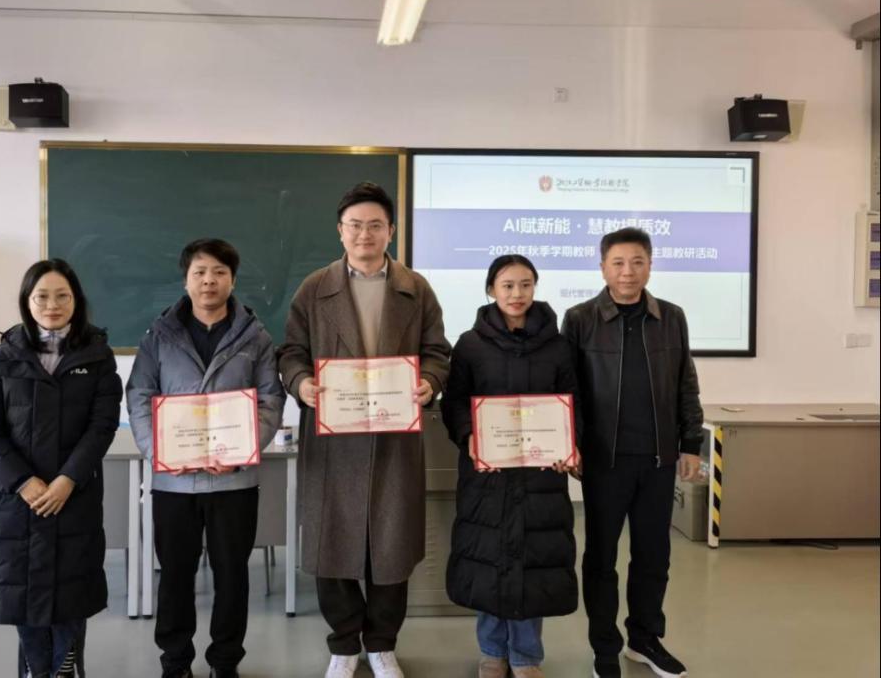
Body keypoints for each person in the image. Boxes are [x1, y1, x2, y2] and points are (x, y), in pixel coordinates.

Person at [277, 182, 451, 678]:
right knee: (331, 543)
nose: (364, 234)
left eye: (375, 225)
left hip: (395, 438)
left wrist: (430, 381)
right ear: (340, 230)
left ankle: (381, 644)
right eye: (355, 225)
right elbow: (290, 352)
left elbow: (438, 352)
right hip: (334, 442)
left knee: (391, 547)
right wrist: (301, 383)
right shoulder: (315, 288)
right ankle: (343, 644)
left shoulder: (416, 289)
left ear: (390, 230)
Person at [127, 238, 284, 678]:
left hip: (234, 481)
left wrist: (241, 452)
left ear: (232, 280)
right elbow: (139, 395)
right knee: (175, 575)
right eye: (199, 272)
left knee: (232, 575)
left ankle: (225, 661)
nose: (208, 281)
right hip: (174, 483)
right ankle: (175, 661)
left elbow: (271, 399)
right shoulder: (159, 336)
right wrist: (160, 452)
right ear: (186, 280)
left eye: (218, 272)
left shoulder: (256, 337)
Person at [561, 228, 704, 678]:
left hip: (658, 459)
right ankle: (605, 647)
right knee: (601, 558)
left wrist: (691, 444)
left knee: (653, 557)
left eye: (637, 261)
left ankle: (645, 639)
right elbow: (570, 390)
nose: (628, 272)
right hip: (604, 461)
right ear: (602, 267)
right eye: (618, 263)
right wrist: (572, 443)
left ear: (650, 265)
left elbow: (685, 382)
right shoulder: (580, 319)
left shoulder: (671, 317)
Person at [0, 259, 123, 678]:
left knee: (71, 592)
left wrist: (67, 480)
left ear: (76, 300)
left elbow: (102, 426)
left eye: (62, 296)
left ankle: (64, 669)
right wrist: (23, 482)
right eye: (42, 297)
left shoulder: (97, 355)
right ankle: (37, 670)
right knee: (24, 595)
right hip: (18, 501)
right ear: (27, 301)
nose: (52, 305)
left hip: (73, 496)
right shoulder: (5, 355)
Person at [442, 255, 580, 678]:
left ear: (535, 287)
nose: (516, 294)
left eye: (525, 284)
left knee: (532, 564)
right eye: (507, 285)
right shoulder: (470, 344)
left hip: (542, 476)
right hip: (488, 475)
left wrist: (570, 444)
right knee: (488, 560)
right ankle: (491, 652)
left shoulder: (558, 346)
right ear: (491, 290)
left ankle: (525, 656)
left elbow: (573, 402)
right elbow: (455, 402)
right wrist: (469, 436)